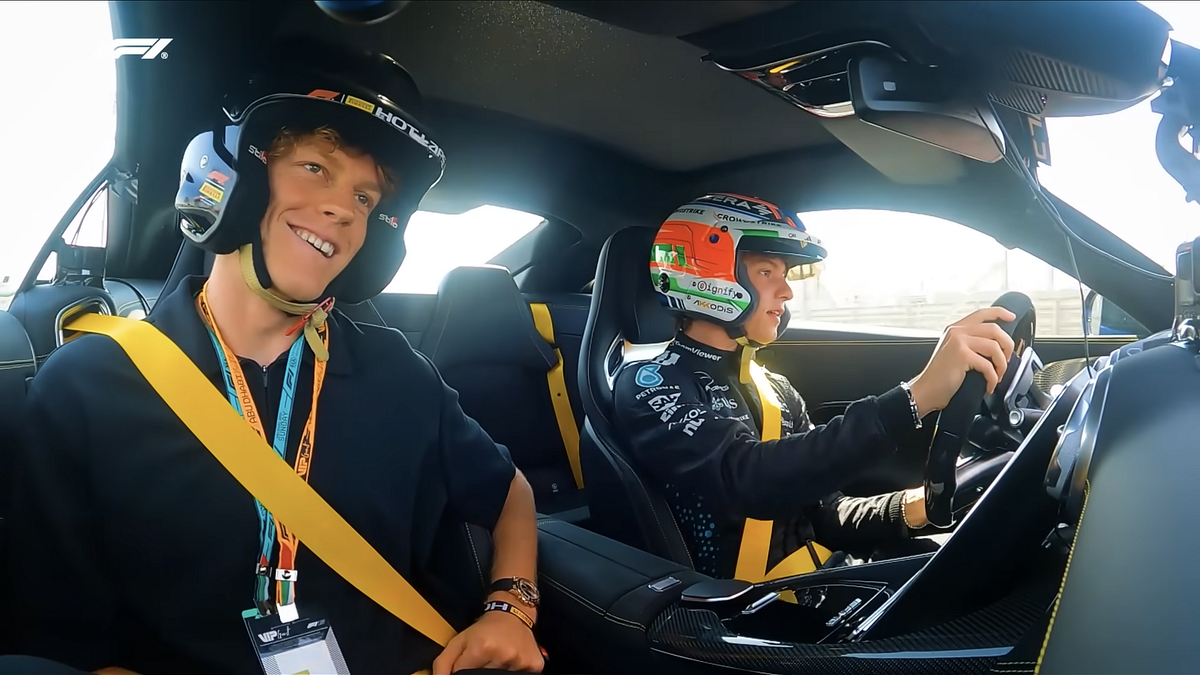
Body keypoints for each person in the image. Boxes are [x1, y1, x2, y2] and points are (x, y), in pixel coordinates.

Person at [6, 38, 545, 675]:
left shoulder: (399, 372)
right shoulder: (87, 386)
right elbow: (63, 630)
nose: (342, 209)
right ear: (232, 181)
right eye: (314, 167)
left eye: (366, 198)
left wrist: (512, 607)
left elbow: (507, 491)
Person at [612, 193, 1015, 579]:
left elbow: (825, 512)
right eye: (766, 272)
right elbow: (748, 480)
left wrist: (919, 506)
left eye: (785, 275)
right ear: (706, 275)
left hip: (817, 581)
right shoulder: (652, 384)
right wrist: (915, 398)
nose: (787, 291)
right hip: (742, 608)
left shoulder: (775, 387)